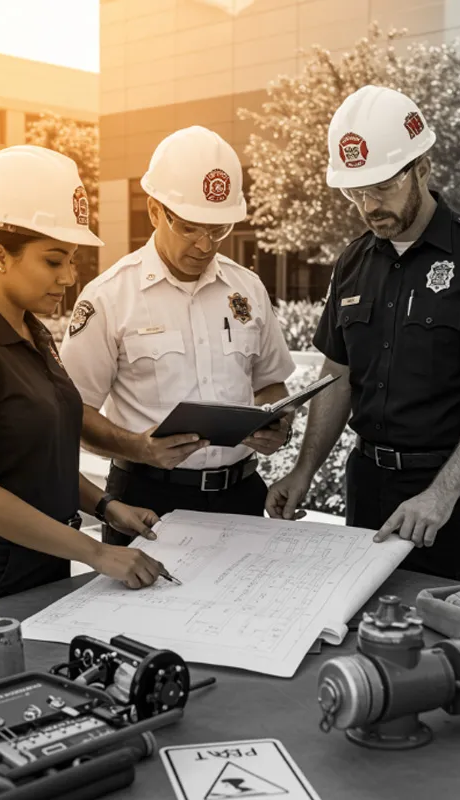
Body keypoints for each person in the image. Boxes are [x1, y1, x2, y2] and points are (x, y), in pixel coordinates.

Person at [266, 86, 460, 583]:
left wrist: (441, 493)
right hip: (367, 486)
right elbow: (338, 375)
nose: (368, 206)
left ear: (422, 168)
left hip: (452, 497)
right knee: (362, 631)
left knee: (455, 637)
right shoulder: (353, 261)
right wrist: (304, 470)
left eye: (381, 187)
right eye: (355, 193)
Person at [0, 145, 169, 620]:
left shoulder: (32, 332)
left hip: (39, 562)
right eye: (54, 261)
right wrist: (97, 553)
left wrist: (107, 506)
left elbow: (35, 463)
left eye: (71, 260)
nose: (70, 277)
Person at [59, 126, 296, 544]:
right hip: (146, 502)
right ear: (155, 211)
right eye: (190, 227)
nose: (206, 245)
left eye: (219, 229)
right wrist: (137, 446)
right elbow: (71, 413)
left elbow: (270, 383)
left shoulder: (248, 289)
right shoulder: (109, 297)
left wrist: (274, 423)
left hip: (241, 498)